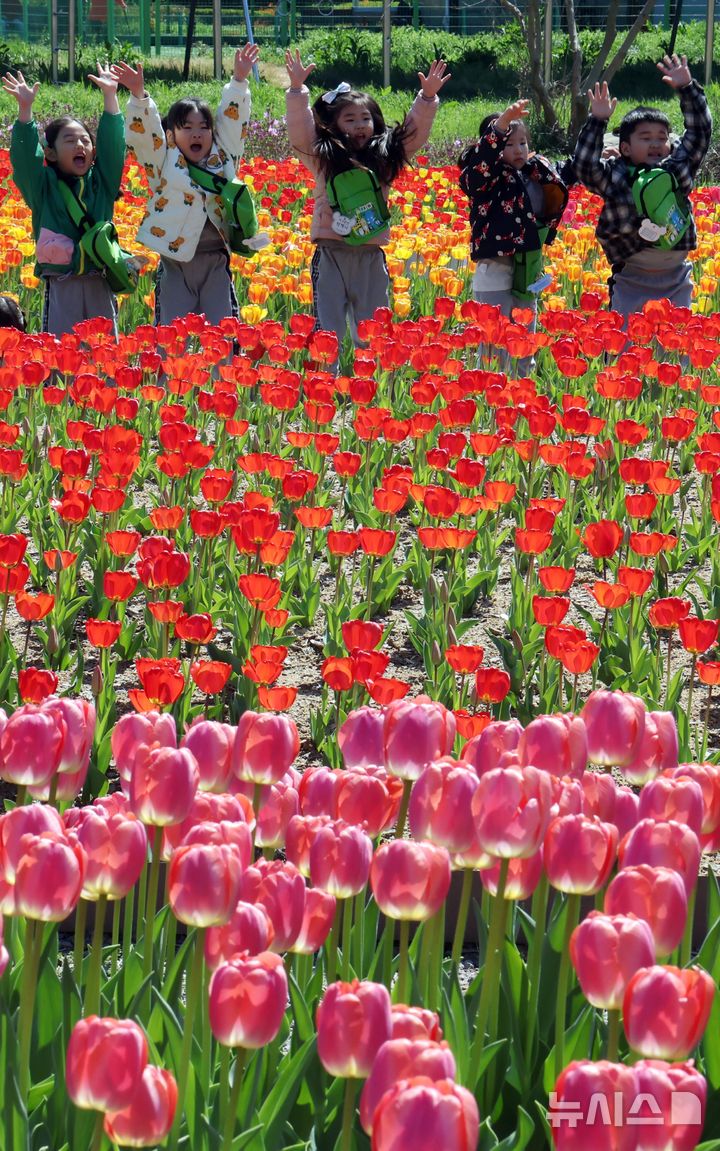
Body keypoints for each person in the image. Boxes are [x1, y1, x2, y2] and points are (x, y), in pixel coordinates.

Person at [285, 50, 450, 367]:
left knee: (373, 329)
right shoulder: (323, 160)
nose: (360, 126)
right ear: (332, 125)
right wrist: (296, 92)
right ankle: (323, 386)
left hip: (372, 255)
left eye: (366, 119)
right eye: (350, 120)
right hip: (331, 252)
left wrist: (427, 98)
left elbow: (413, 134)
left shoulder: (383, 161)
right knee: (326, 330)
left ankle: (370, 391)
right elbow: (301, 132)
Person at [112, 45, 260, 327]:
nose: (196, 133)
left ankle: (222, 372)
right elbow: (147, 135)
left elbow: (232, 121)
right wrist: (138, 96)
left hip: (216, 261)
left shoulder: (223, 159)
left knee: (223, 335)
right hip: (175, 264)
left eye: (203, 126)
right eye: (187, 127)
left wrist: (239, 81)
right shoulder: (162, 161)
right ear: (172, 134)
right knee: (170, 337)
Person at [571, 54, 712, 320]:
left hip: (676, 276)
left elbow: (700, 132)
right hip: (632, 275)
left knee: (675, 346)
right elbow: (584, 167)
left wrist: (687, 88)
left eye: (662, 138)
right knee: (626, 349)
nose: (656, 144)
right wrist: (597, 122)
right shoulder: (616, 175)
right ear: (625, 147)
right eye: (645, 138)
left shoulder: (677, 168)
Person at [3, 65, 125, 337]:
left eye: (85, 141)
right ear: (51, 153)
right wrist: (25, 112)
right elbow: (24, 162)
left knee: (103, 357)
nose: (80, 146)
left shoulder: (102, 184)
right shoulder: (43, 187)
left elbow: (114, 147)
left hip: (99, 280)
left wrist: (110, 97)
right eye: (70, 141)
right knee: (61, 353)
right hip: (61, 282)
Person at [458, 99, 568, 372]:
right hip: (495, 265)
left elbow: (570, 173)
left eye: (523, 143)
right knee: (495, 339)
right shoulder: (484, 178)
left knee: (524, 335)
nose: (519, 150)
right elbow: (481, 165)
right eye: (509, 144)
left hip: (528, 265)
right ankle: (492, 390)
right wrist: (501, 125)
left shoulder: (536, 173)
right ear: (492, 146)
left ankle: (522, 389)